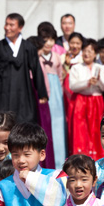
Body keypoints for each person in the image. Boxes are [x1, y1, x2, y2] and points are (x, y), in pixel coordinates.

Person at [0, 13, 48, 124]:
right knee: (4, 124)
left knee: (25, 124)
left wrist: (42, 92)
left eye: (11, 25)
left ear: (20, 28)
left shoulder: (28, 47)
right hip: (3, 93)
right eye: (6, 24)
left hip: (24, 93)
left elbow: (37, 70)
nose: (7, 27)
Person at [68, 38, 104, 160]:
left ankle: (98, 158)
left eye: (90, 51)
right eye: (85, 51)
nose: (87, 54)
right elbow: (73, 86)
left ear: (95, 53)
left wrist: (99, 80)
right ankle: (80, 157)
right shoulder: (76, 67)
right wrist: (87, 82)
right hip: (81, 100)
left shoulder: (100, 68)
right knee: (80, 130)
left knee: (96, 130)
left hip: (96, 101)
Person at [37, 24, 66, 167]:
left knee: (58, 127)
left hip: (56, 94)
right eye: (45, 40)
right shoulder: (35, 55)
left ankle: (60, 162)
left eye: (51, 40)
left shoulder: (56, 56)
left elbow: (60, 76)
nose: (48, 43)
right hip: (42, 93)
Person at [27, 35, 56, 169]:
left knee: (42, 132)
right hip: (36, 101)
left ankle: (44, 163)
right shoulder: (33, 62)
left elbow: (45, 85)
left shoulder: (36, 62)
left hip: (39, 101)